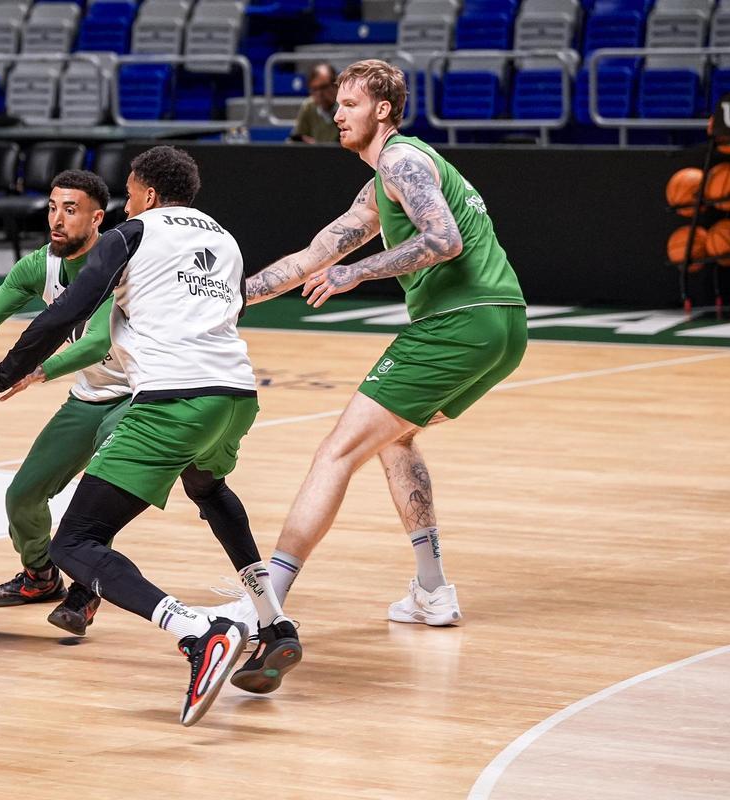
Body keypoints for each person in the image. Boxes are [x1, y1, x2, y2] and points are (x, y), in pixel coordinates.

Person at [0, 146, 299, 726]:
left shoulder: (131, 233)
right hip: (235, 395)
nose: (127, 201)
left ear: (147, 194)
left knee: (75, 543)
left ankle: (198, 632)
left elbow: (62, 317)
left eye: (129, 192)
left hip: (171, 401)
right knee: (209, 491)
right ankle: (274, 622)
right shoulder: (224, 239)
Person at [227, 58, 527, 691]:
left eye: (350, 104)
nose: (336, 114)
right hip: (502, 327)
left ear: (383, 110)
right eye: (337, 104)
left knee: (335, 452)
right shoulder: (380, 185)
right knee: (395, 439)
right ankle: (431, 589)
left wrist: (356, 274)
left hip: (458, 324)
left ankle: (264, 608)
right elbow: (316, 255)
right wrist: (230, 299)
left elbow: (443, 239)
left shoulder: (402, 163)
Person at [0, 169, 130, 637]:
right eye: (52, 207)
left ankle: (87, 590)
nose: (56, 219)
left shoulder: (117, 262)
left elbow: (95, 345)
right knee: (22, 497)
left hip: (140, 397)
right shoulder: (38, 266)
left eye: (70, 209)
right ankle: (41, 578)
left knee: (96, 500)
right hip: (87, 398)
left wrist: (31, 372)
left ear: (97, 217)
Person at [289, 62, 340, 144]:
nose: (319, 94)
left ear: (336, 85)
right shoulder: (308, 107)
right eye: (314, 89)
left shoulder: (346, 105)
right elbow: (294, 140)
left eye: (323, 87)